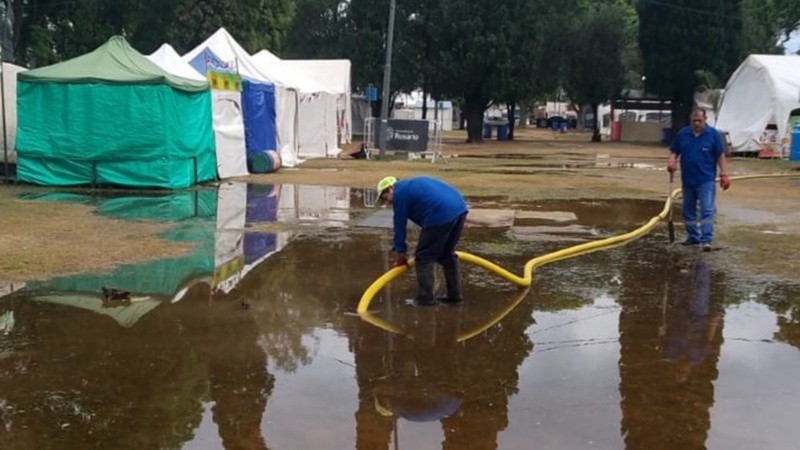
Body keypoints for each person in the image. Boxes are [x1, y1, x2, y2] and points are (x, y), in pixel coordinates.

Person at [376, 175, 469, 306]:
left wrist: (400, 253)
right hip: (460, 209)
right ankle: (455, 296)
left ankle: (425, 299)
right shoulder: (411, 186)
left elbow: (399, 226)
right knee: (447, 255)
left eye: (386, 199)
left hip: (440, 212)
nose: (388, 203)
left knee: (424, 257)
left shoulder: (400, 193)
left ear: (390, 188)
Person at [667, 108, 730, 251]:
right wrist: (671, 161)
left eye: (699, 121)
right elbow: (674, 151)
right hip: (688, 180)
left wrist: (724, 174)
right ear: (690, 119)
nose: (696, 123)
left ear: (705, 119)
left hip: (706, 180)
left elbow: (720, 155)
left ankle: (706, 239)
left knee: (706, 210)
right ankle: (693, 237)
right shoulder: (683, 134)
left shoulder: (713, 135)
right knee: (687, 211)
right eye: (694, 121)